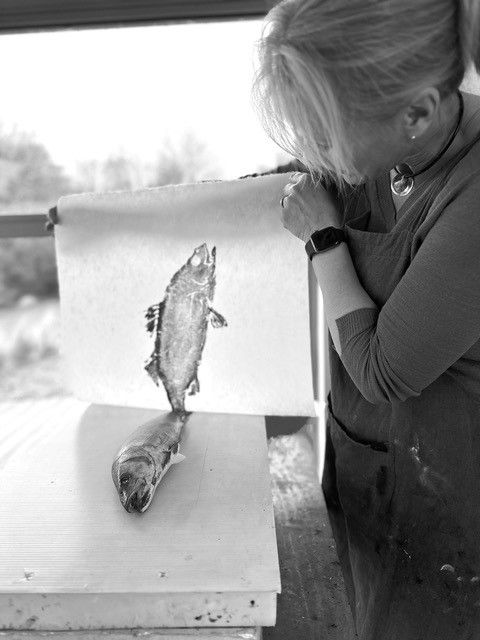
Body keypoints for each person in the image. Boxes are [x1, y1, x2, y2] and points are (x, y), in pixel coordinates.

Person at [241, 0, 480, 638]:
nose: (318, 152)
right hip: (370, 464)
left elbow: (381, 371)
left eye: (328, 134)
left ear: (419, 112)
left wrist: (324, 239)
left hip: (452, 498)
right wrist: (110, 225)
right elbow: (295, 185)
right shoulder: (386, 141)